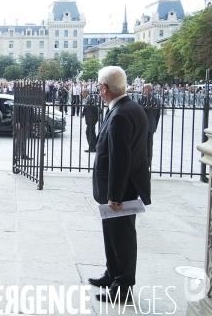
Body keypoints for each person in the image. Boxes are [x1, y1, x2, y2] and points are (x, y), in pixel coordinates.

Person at [89, 66, 151, 303]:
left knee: (122, 238)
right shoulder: (130, 108)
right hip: (124, 187)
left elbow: (120, 158)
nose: (98, 91)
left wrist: (115, 195)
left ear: (104, 88)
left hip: (121, 191)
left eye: (98, 87)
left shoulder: (120, 114)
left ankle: (122, 287)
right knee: (112, 234)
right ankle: (112, 274)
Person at [139, 83, 161, 168]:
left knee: (142, 145)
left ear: (147, 89)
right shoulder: (157, 100)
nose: (142, 91)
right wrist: (155, 124)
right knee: (149, 145)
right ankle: (148, 163)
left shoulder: (141, 99)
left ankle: (142, 163)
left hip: (142, 125)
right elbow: (158, 115)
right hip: (152, 125)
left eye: (143, 89)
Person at [81, 88, 98, 152]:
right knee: (92, 132)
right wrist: (83, 113)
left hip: (91, 118)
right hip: (89, 118)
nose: (82, 94)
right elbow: (85, 107)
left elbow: (95, 109)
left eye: (83, 93)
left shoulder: (90, 99)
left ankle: (92, 147)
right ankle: (94, 146)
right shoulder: (87, 99)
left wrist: (96, 117)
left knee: (89, 132)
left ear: (85, 92)